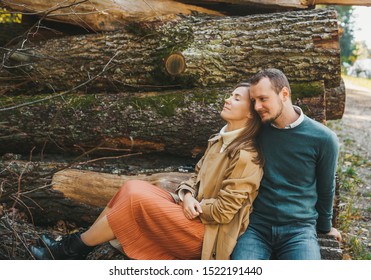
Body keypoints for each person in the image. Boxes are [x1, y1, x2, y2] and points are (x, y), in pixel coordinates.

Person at [30, 83, 264, 260]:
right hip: (192, 214)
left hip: (206, 236)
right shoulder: (219, 140)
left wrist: (196, 206)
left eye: (236, 98)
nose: (227, 99)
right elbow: (195, 177)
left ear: (250, 113)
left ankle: (68, 250)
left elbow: (225, 212)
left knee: (136, 200)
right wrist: (188, 196)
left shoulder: (247, 155)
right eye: (230, 95)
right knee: (132, 187)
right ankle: (75, 247)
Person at [231, 68, 342, 260]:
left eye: (263, 99)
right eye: (254, 101)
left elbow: (326, 188)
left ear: (284, 94)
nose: (257, 107)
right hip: (256, 226)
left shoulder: (323, 138)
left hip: (299, 230)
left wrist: (325, 228)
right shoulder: (256, 131)